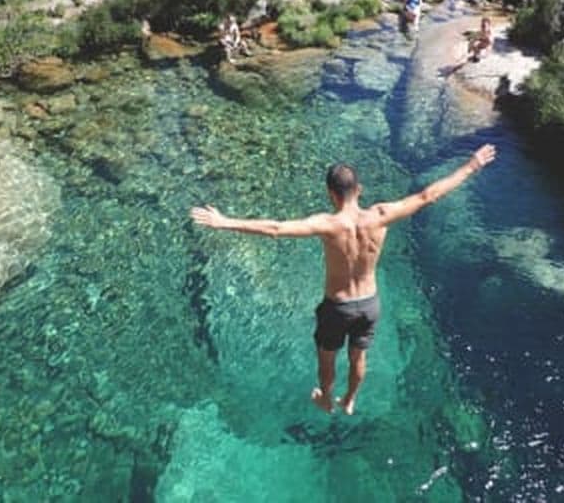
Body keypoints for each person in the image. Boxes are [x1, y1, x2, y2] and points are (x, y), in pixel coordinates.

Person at [190, 144, 497, 415]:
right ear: (359, 190)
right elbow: (429, 195)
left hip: (337, 308)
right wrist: (471, 165)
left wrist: (224, 222)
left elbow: (276, 229)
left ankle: (326, 398)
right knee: (357, 357)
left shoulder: (328, 224)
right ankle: (350, 399)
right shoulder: (381, 215)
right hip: (369, 304)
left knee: (327, 358)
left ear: (330, 194)